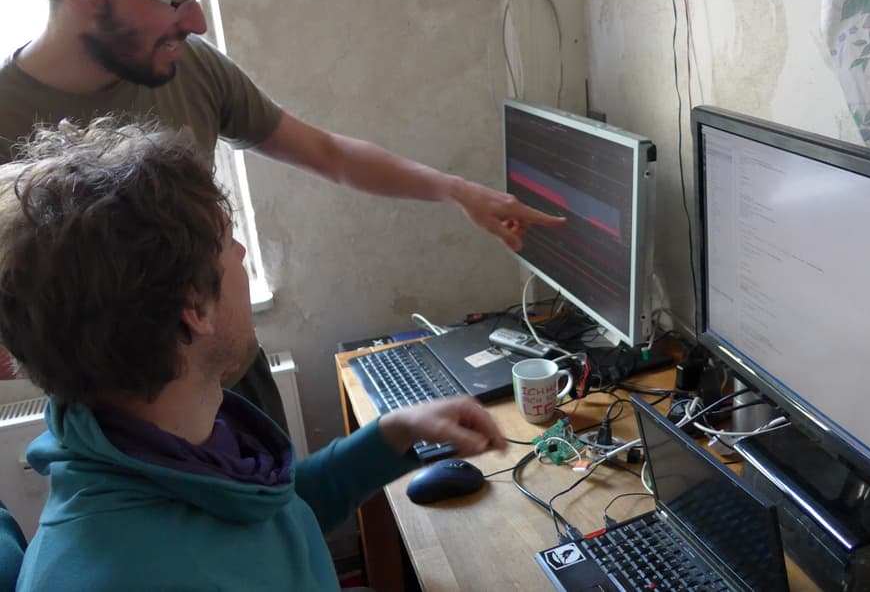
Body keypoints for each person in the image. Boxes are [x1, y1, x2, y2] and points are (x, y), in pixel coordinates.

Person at [0, 0, 564, 425]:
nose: (195, 20)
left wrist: (457, 191)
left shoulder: (190, 66)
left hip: (233, 380)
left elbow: (329, 152)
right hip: (119, 425)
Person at [0, 119, 508, 591]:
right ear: (193, 306)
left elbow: (270, 516)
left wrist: (396, 432)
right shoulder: (108, 576)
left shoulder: (154, 445)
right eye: (228, 240)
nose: (242, 255)